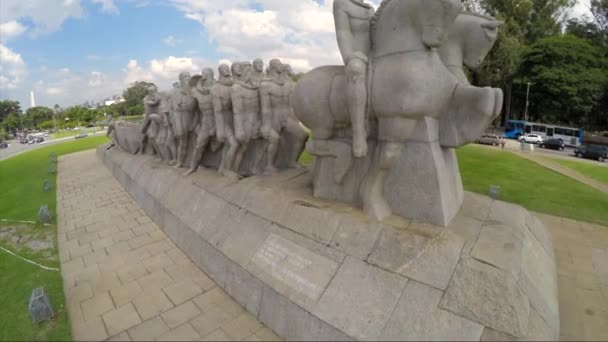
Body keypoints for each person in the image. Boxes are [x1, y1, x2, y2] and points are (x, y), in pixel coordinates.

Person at [333, 0, 375, 158]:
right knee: (356, 72)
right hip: (356, 55)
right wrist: (349, 56)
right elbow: (343, 32)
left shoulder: (370, 9)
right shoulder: (342, 3)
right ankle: (358, 133)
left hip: (375, 55)